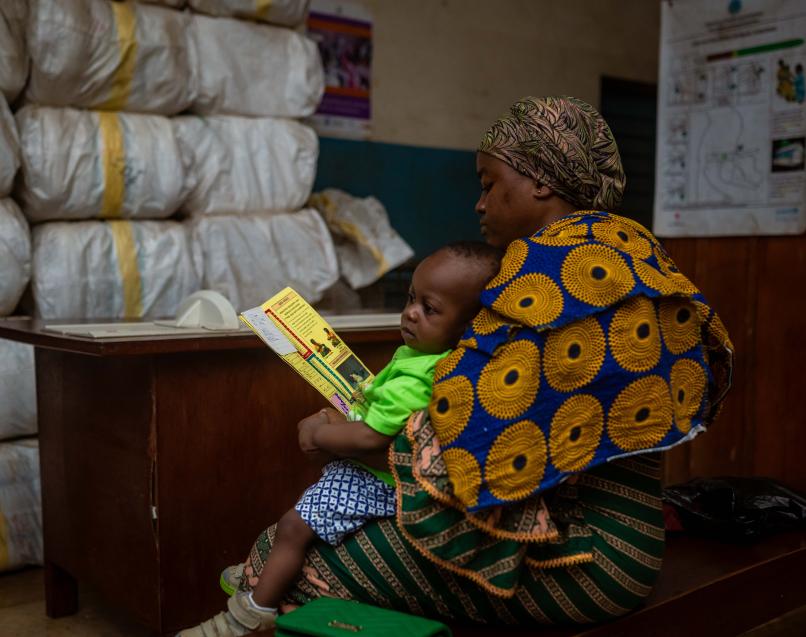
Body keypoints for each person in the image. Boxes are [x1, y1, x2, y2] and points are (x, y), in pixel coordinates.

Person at [191, 97, 733, 631]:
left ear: (540, 180)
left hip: (580, 559)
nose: (479, 203)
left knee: (293, 558)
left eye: (488, 183)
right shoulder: (626, 248)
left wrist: (342, 434)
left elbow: (466, 433)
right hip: (633, 536)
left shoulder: (548, 271)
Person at [177, 241, 503, 636]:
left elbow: (369, 438)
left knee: (294, 526)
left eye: (429, 309)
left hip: (377, 483)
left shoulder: (420, 376)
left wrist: (321, 434)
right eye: (412, 298)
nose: (411, 312)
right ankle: (261, 575)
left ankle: (252, 609)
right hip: (381, 474)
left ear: (465, 327)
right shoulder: (426, 358)